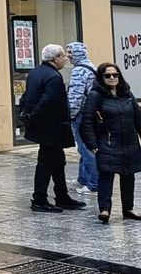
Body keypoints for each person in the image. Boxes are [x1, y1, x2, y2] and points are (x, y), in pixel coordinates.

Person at [17, 43, 87, 213]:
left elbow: (26, 96)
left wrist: (25, 114)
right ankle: (39, 199)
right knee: (46, 163)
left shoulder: (35, 72)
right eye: (63, 56)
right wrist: (32, 117)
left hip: (45, 127)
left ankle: (62, 196)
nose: (65, 59)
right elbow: (47, 101)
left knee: (57, 161)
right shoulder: (54, 77)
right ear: (55, 59)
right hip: (51, 127)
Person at [78, 62, 141, 223]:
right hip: (107, 142)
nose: (112, 78)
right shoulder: (95, 95)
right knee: (106, 176)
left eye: (115, 74)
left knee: (128, 175)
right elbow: (87, 121)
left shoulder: (126, 93)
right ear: (101, 77)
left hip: (129, 142)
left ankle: (128, 208)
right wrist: (91, 144)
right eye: (108, 75)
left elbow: (138, 117)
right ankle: (105, 210)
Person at [67, 42, 99, 195]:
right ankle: (82, 178)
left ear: (78, 53)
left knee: (86, 149)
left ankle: (93, 183)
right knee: (83, 148)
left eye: (70, 53)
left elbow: (75, 96)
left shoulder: (79, 70)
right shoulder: (92, 66)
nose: (68, 56)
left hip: (82, 114)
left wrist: (71, 115)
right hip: (91, 113)